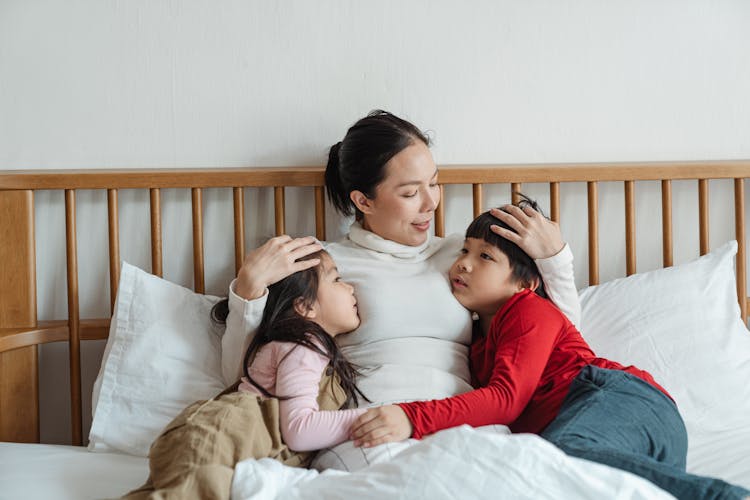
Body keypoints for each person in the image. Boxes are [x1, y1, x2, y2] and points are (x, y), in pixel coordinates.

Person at [349, 200, 750, 500]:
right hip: (625, 443)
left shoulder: (528, 311)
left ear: (526, 283)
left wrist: (411, 416)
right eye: (464, 251)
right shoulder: (476, 341)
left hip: (617, 398)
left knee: (558, 457)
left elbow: (506, 400)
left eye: (485, 256)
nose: (464, 264)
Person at [220, 110, 581, 417]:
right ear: (364, 201)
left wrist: (555, 260)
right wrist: (248, 294)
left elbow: (551, 336)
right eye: (410, 193)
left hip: (460, 418)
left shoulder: (467, 257)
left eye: (434, 184)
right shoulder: (325, 264)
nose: (430, 203)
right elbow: (247, 377)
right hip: (371, 419)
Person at [124, 250, 368, 500]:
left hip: (221, 444)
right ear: (305, 306)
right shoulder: (304, 346)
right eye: (337, 280)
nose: (350, 288)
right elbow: (299, 429)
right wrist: (370, 419)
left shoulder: (313, 354)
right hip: (220, 436)